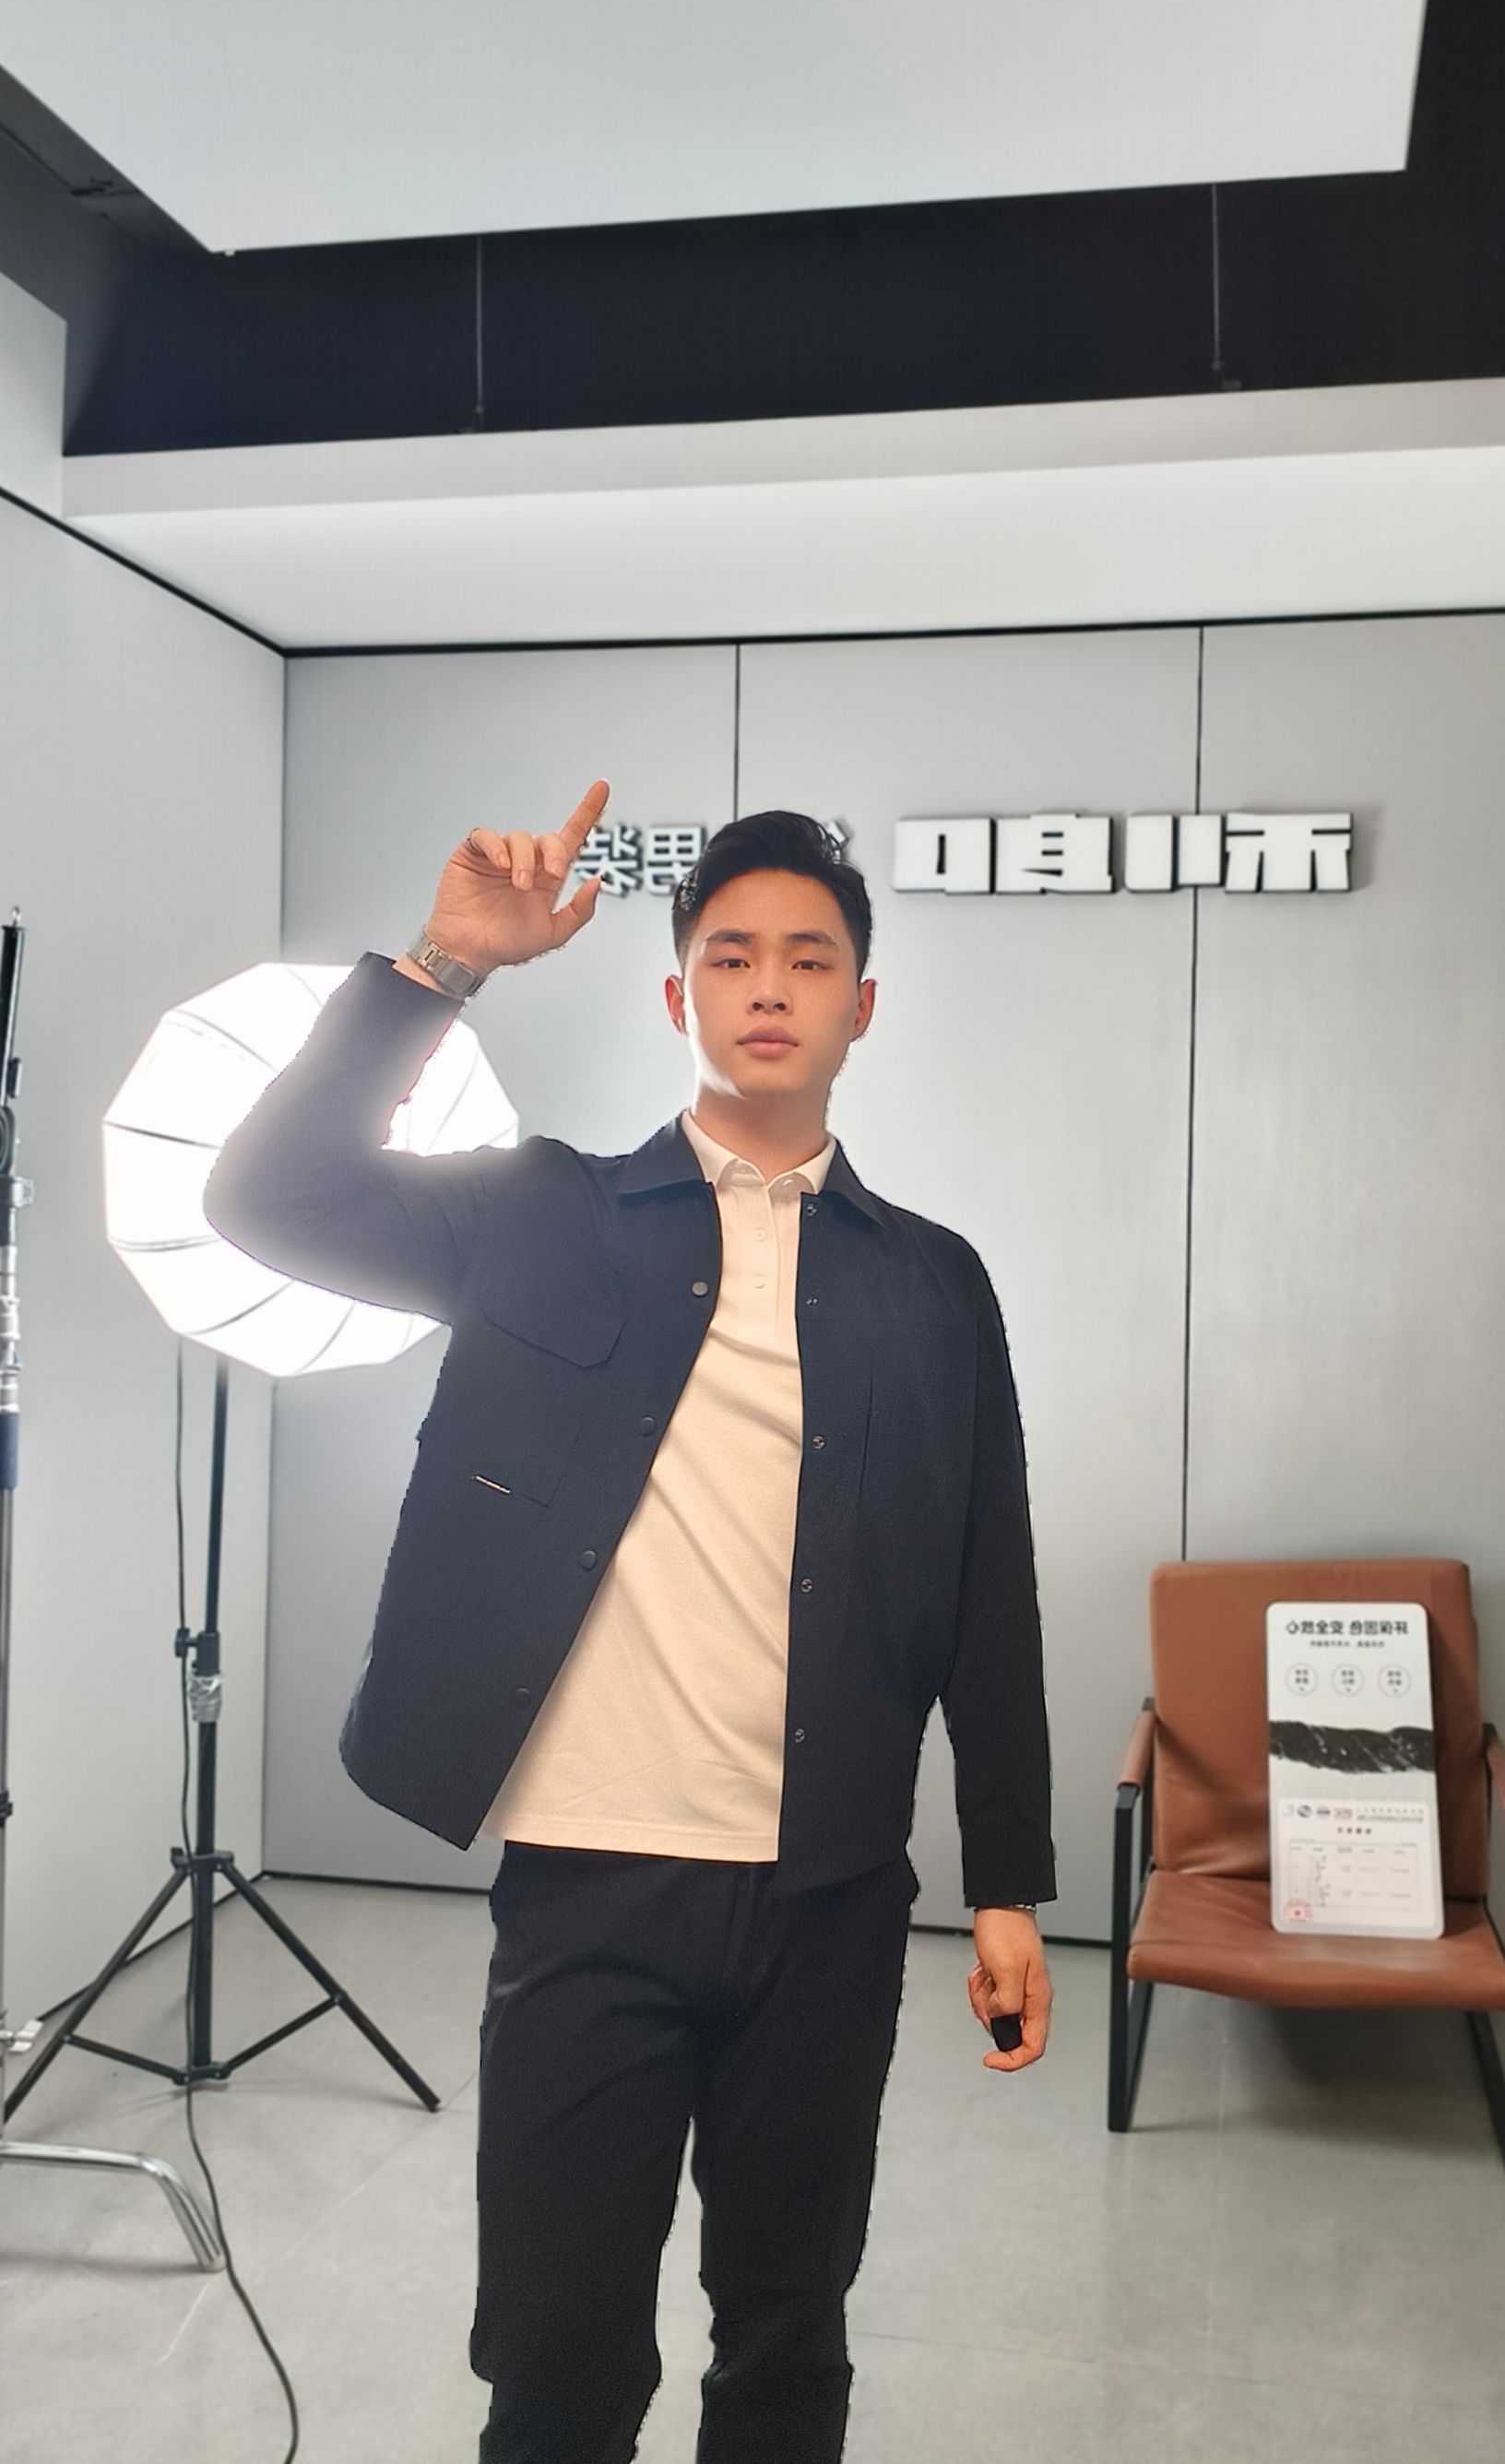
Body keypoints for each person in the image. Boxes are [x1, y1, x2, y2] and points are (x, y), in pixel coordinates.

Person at [205, 780, 1056, 2463]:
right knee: (559, 2359)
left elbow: (990, 1586)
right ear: (677, 996)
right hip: (592, 1878)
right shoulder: (546, 1213)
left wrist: (1010, 1880)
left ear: (861, 1006)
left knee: (788, 2338)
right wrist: (445, 961)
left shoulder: (934, 1282)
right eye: (729, 955)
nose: (767, 985)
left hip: (828, 1894)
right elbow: (272, 1197)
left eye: (807, 958)